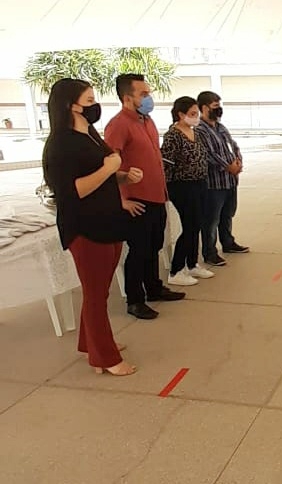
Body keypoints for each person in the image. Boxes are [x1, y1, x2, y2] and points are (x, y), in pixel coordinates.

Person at [42, 78, 138, 376]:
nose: (94, 105)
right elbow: (73, 191)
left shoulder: (91, 135)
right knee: (95, 294)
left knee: (100, 291)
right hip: (85, 227)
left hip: (107, 221)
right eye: (88, 100)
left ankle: (91, 342)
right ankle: (105, 358)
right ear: (71, 105)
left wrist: (121, 176)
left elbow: (101, 174)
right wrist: (109, 169)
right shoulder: (60, 144)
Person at [104, 74, 185, 321]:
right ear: (127, 98)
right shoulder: (118, 125)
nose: (149, 98)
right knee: (139, 250)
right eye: (144, 94)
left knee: (154, 246)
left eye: (149, 93)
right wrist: (121, 199)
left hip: (157, 196)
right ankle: (135, 299)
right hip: (136, 201)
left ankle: (154, 287)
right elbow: (108, 166)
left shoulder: (146, 120)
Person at [161, 97, 215, 287]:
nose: (196, 118)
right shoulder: (172, 136)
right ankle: (176, 270)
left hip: (199, 183)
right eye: (192, 114)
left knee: (198, 224)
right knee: (189, 226)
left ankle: (192, 264)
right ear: (180, 115)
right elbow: (165, 165)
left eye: (196, 114)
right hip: (182, 186)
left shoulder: (195, 132)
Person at [195, 90, 249, 267]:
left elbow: (232, 145)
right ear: (204, 108)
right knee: (211, 219)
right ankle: (210, 252)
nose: (219, 110)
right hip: (214, 183)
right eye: (215, 106)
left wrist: (238, 161)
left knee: (228, 214)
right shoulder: (200, 130)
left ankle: (228, 242)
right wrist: (228, 166)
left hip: (230, 180)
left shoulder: (220, 127)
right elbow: (208, 154)